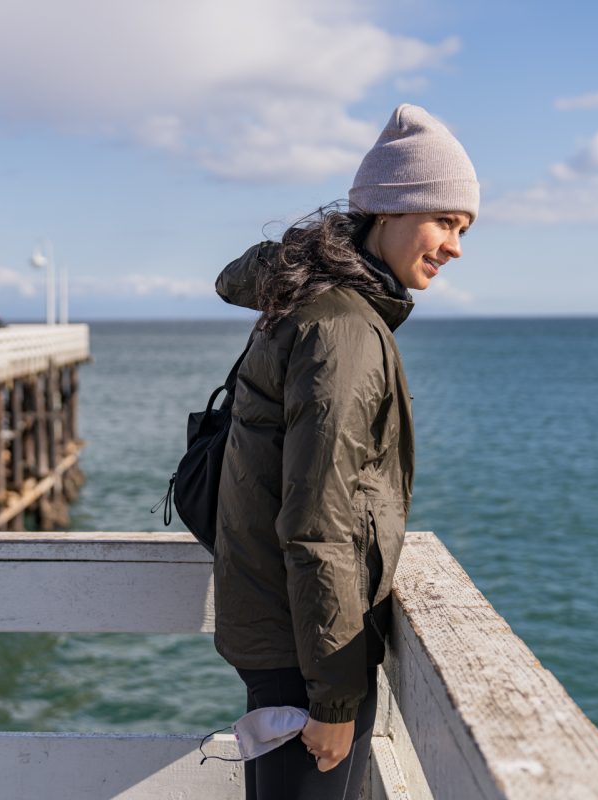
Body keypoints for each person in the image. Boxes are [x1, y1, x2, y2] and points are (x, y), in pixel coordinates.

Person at [212, 104, 479, 799]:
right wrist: (333, 698)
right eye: (445, 221)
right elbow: (321, 524)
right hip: (308, 657)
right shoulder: (345, 333)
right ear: (389, 210)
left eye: (464, 229)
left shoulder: (309, 303)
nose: (455, 246)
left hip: (283, 637)